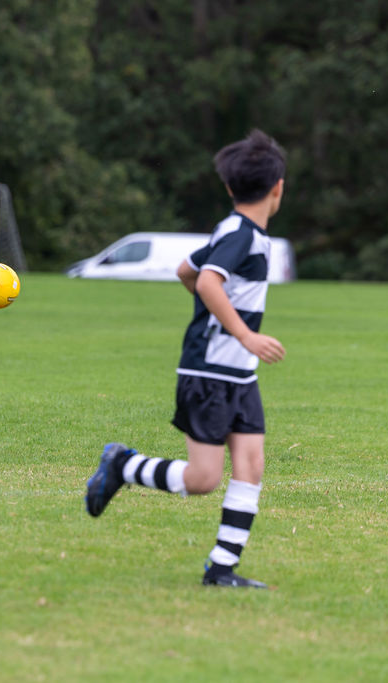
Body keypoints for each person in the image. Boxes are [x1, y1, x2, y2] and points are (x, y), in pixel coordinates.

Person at [85, 129, 288, 589]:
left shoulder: (236, 230)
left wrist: (215, 321)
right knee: (202, 478)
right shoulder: (244, 236)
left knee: (251, 466)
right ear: (278, 188)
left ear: (231, 187)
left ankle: (221, 569)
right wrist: (243, 334)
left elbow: (187, 271)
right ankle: (123, 465)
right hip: (210, 371)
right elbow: (209, 282)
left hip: (238, 373)